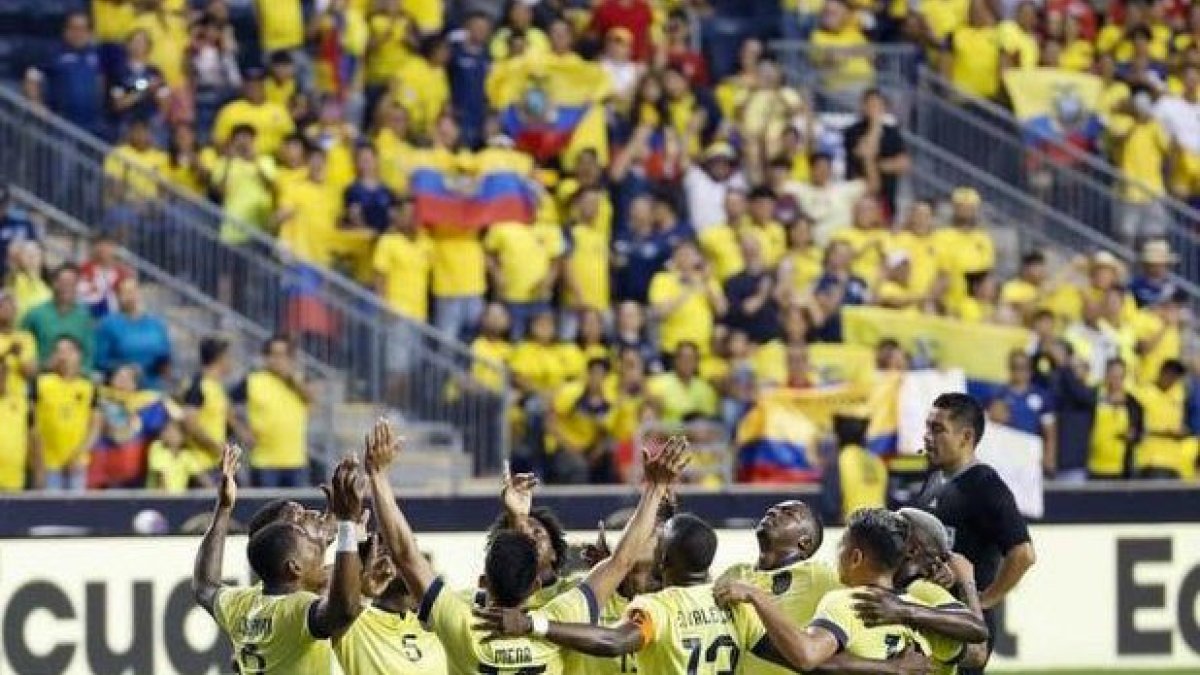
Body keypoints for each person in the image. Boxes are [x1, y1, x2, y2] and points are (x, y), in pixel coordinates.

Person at [366, 419, 689, 674]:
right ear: (536, 584)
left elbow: (404, 552)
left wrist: (378, 476)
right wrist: (656, 488)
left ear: (483, 581)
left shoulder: (461, 624)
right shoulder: (561, 617)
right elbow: (622, 560)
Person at [193, 446, 366, 674]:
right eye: (298, 522)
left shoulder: (243, 604)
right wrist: (348, 528)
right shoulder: (298, 608)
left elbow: (205, 586)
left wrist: (224, 508)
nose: (313, 516)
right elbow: (344, 607)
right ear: (291, 565)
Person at [714, 509, 932, 670]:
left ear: (855, 557)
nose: (773, 512)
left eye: (841, 545)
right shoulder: (920, 608)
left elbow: (807, 656)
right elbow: (966, 641)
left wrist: (756, 597)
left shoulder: (835, 592)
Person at [914, 393, 1037, 674]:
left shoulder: (986, 487)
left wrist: (984, 600)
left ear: (966, 437)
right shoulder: (935, 479)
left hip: (961, 624)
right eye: (927, 428)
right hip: (930, 612)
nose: (927, 437)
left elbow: (1023, 554)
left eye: (938, 430)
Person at [716, 500, 841, 675]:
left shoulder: (820, 576)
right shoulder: (734, 573)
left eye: (788, 514)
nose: (773, 512)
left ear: (804, 542)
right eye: (773, 509)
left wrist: (894, 609)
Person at [332, 535, 448, 674]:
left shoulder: (436, 620)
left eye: (409, 552)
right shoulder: (352, 622)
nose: (404, 561)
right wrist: (362, 592)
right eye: (388, 554)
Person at [230, 335, 314, 487]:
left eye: (282, 355)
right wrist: (241, 430)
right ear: (266, 357)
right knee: (267, 509)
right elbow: (226, 404)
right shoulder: (253, 380)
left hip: (296, 461)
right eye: (273, 355)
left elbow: (311, 398)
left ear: (290, 358)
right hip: (264, 462)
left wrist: (292, 378)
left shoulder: (298, 381)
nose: (277, 360)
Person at [31, 336, 101, 491]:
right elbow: (33, 426)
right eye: (58, 351)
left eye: (68, 351)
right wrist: (38, 464)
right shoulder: (41, 383)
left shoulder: (88, 386)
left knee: (76, 513)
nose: (63, 356)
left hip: (77, 463)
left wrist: (80, 453)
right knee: (48, 513)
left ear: (79, 355)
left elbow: (95, 426)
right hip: (48, 463)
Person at [180, 336, 244, 481]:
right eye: (229, 357)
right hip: (203, 465)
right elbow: (190, 423)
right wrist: (217, 448)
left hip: (218, 463)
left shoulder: (216, 385)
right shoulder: (197, 386)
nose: (231, 361)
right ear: (221, 358)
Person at [94, 277, 172, 390]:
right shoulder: (108, 324)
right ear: (118, 296)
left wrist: (161, 367)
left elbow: (165, 356)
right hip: (122, 388)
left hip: (153, 389)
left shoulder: (156, 324)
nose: (130, 296)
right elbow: (100, 361)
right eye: (125, 292)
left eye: (133, 291)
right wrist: (125, 368)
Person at [21, 263, 94, 372]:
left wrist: (78, 370)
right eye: (63, 282)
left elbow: (89, 356)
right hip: (41, 378)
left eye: (72, 283)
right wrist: (44, 365)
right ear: (54, 284)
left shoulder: (84, 318)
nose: (67, 287)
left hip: (74, 380)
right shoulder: (35, 314)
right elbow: (23, 349)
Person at [146, 418, 213, 492]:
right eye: (166, 430)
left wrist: (215, 492)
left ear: (183, 437)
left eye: (173, 432)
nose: (168, 434)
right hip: (156, 499)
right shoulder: (157, 447)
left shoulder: (186, 456)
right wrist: (164, 500)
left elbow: (202, 477)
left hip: (177, 501)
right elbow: (160, 478)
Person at [0, 358, 37, 491]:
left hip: (13, 482)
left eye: (3, 372)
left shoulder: (22, 404)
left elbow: (34, 439)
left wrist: (38, 473)